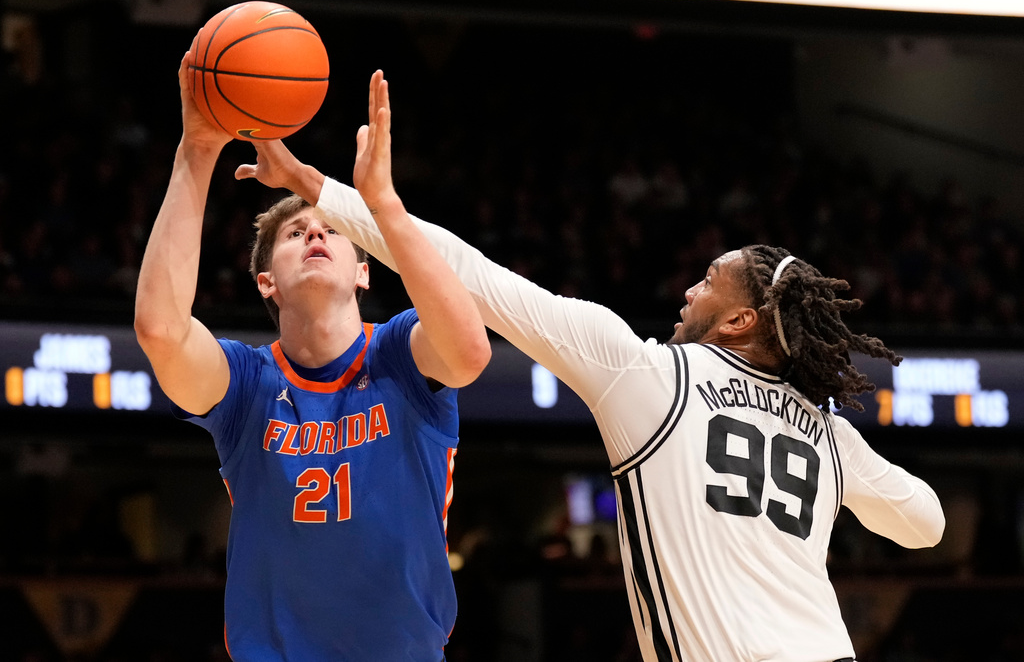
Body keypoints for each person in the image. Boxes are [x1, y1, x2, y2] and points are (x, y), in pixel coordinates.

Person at [239, 70, 945, 662]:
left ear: (739, 321)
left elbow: (477, 278)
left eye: (707, 281)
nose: (689, 290)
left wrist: (324, 186)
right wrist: (828, 439)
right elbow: (927, 524)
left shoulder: (647, 373)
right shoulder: (825, 434)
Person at [134, 56, 490, 661]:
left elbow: (469, 351)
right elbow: (161, 331)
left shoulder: (400, 354)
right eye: (296, 234)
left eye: (330, 230)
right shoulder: (247, 385)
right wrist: (196, 151)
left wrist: (383, 208)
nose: (316, 235)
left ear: (363, 271)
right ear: (266, 281)